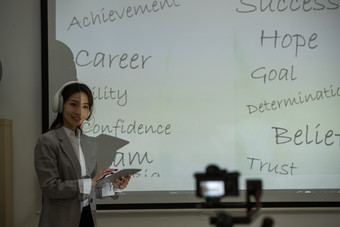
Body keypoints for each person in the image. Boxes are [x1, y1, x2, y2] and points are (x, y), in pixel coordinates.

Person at [34, 81, 131, 227]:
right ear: (60, 105)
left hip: (88, 216)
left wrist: (114, 185)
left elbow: (92, 187)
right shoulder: (47, 141)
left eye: (85, 107)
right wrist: (89, 183)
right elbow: (50, 187)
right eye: (73, 104)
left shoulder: (89, 142)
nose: (79, 112)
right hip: (60, 220)